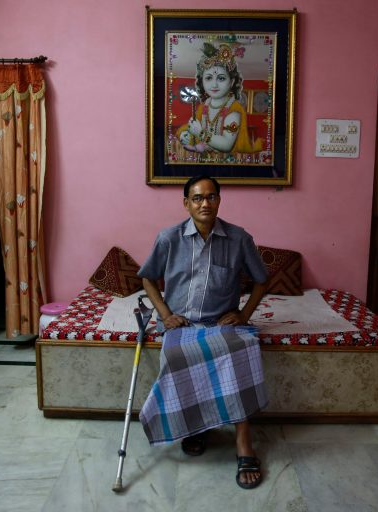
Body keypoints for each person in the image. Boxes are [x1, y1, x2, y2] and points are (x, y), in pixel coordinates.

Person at [137, 175, 269, 489]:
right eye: (197, 198)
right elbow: (147, 278)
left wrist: (243, 313)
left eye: (210, 197)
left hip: (219, 323)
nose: (204, 204)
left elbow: (262, 279)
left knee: (242, 349)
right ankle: (195, 427)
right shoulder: (169, 238)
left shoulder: (239, 239)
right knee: (178, 353)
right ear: (186, 203)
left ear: (219, 201)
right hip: (181, 322)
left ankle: (243, 442)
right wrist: (165, 315)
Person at [177, 43, 263, 155]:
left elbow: (227, 145)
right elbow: (194, 128)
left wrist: (201, 133)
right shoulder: (204, 106)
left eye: (221, 78)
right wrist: (186, 134)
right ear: (202, 81)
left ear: (232, 82)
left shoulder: (234, 110)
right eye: (208, 78)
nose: (214, 85)